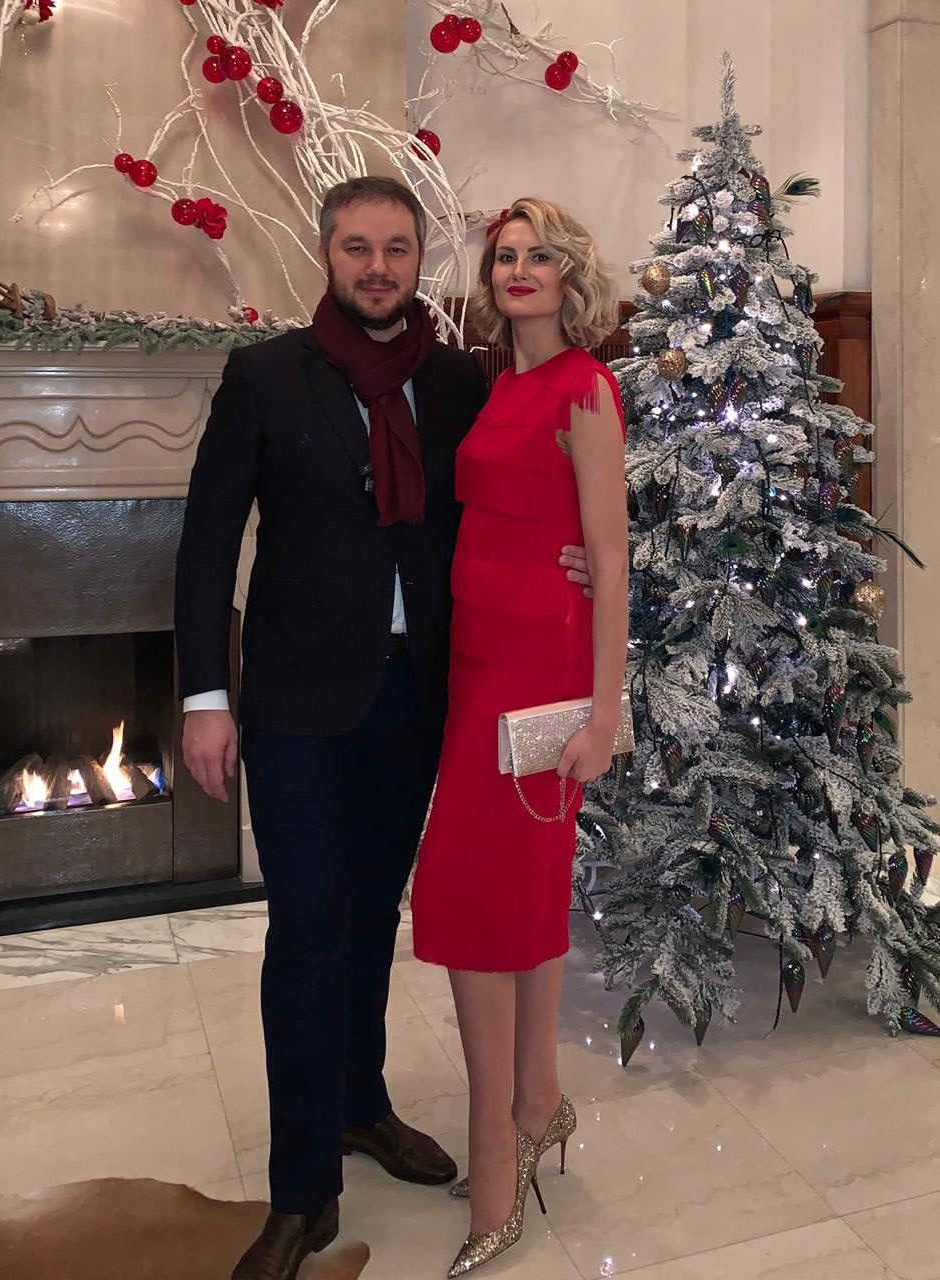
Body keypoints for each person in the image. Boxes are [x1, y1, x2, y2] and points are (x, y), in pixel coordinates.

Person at [174, 176, 593, 1280]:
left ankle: (361, 1104)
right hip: (298, 709)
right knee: (308, 930)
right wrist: (205, 697)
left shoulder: (460, 379)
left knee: (371, 919)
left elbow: (527, 487)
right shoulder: (265, 375)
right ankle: (302, 1190)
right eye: (357, 247)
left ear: (418, 262)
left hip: (421, 702)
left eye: (396, 248)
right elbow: (207, 541)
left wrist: (587, 561)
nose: (376, 266)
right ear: (327, 255)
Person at [410, 197, 629, 1277]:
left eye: (541, 255)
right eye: (505, 256)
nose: (520, 270)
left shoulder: (586, 386)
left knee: (465, 896)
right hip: (475, 661)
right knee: (523, 892)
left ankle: (497, 1142)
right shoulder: (495, 383)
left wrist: (606, 710)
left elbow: (610, 557)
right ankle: (538, 1099)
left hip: (538, 671)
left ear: (569, 275)